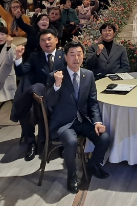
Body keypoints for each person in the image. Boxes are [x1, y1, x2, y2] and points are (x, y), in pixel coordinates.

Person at [45, 41, 110, 192]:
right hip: (64, 122)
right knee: (72, 142)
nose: (76, 58)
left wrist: (97, 122)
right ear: (65, 57)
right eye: (72, 55)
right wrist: (57, 85)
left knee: (105, 138)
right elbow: (49, 102)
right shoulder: (56, 75)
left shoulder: (88, 75)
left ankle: (92, 165)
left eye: (79, 54)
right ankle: (72, 175)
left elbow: (93, 103)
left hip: (83, 120)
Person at [12, 28, 66, 161]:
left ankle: (62, 142)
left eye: (49, 39)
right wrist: (18, 59)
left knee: (64, 110)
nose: (46, 42)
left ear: (56, 40)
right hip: (39, 97)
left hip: (60, 96)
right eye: (43, 40)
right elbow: (21, 72)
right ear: (40, 43)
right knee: (27, 112)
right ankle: (31, 143)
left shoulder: (64, 55)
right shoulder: (35, 57)